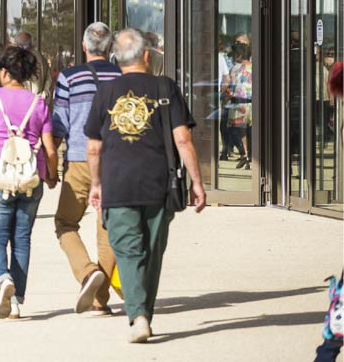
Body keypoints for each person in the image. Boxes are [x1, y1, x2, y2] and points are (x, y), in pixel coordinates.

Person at [86, 28, 206, 344]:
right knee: (152, 252)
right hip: (160, 184)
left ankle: (138, 316)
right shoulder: (165, 87)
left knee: (127, 250)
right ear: (147, 56)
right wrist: (197, 182)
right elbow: (183, 139)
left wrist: (95, 184)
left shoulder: (105, 93)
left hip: (118, 184)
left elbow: (93, 148)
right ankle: (143, 313)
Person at [0, 46, 58, 320]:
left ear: (4, 72)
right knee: (21, 239)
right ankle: (16, 299)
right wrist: (52, 175)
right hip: (31, 178)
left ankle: (3, 278)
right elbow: (50, 148)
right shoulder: (38, 103)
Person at [53, 21, 122, 316]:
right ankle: (99, 298)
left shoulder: (69, 77)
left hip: (80, 159)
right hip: (119, 160)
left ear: (84, 47)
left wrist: (49, 161)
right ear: (110, 48)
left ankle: (86, 272)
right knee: (107, 227)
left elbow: (59, 123)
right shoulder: (123, 76)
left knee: (65, 223)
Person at [220, 41, 254, 168]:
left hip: (239, 103)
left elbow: (230, 86)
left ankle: (243, 153)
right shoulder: (255, 67)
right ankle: (250, 156)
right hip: (253, 104)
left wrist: (224, 94)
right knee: (250, 131)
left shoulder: (235, 69)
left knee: (234, 130)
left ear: (239, 56)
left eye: (235, 55)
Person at [15, 31, 54, 109]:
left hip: (21, 105)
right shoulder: (41, 58)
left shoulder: (16, 59)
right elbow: (49, 79)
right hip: (38, 103)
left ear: (18, 44)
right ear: (31, 43)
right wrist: (44, 95)